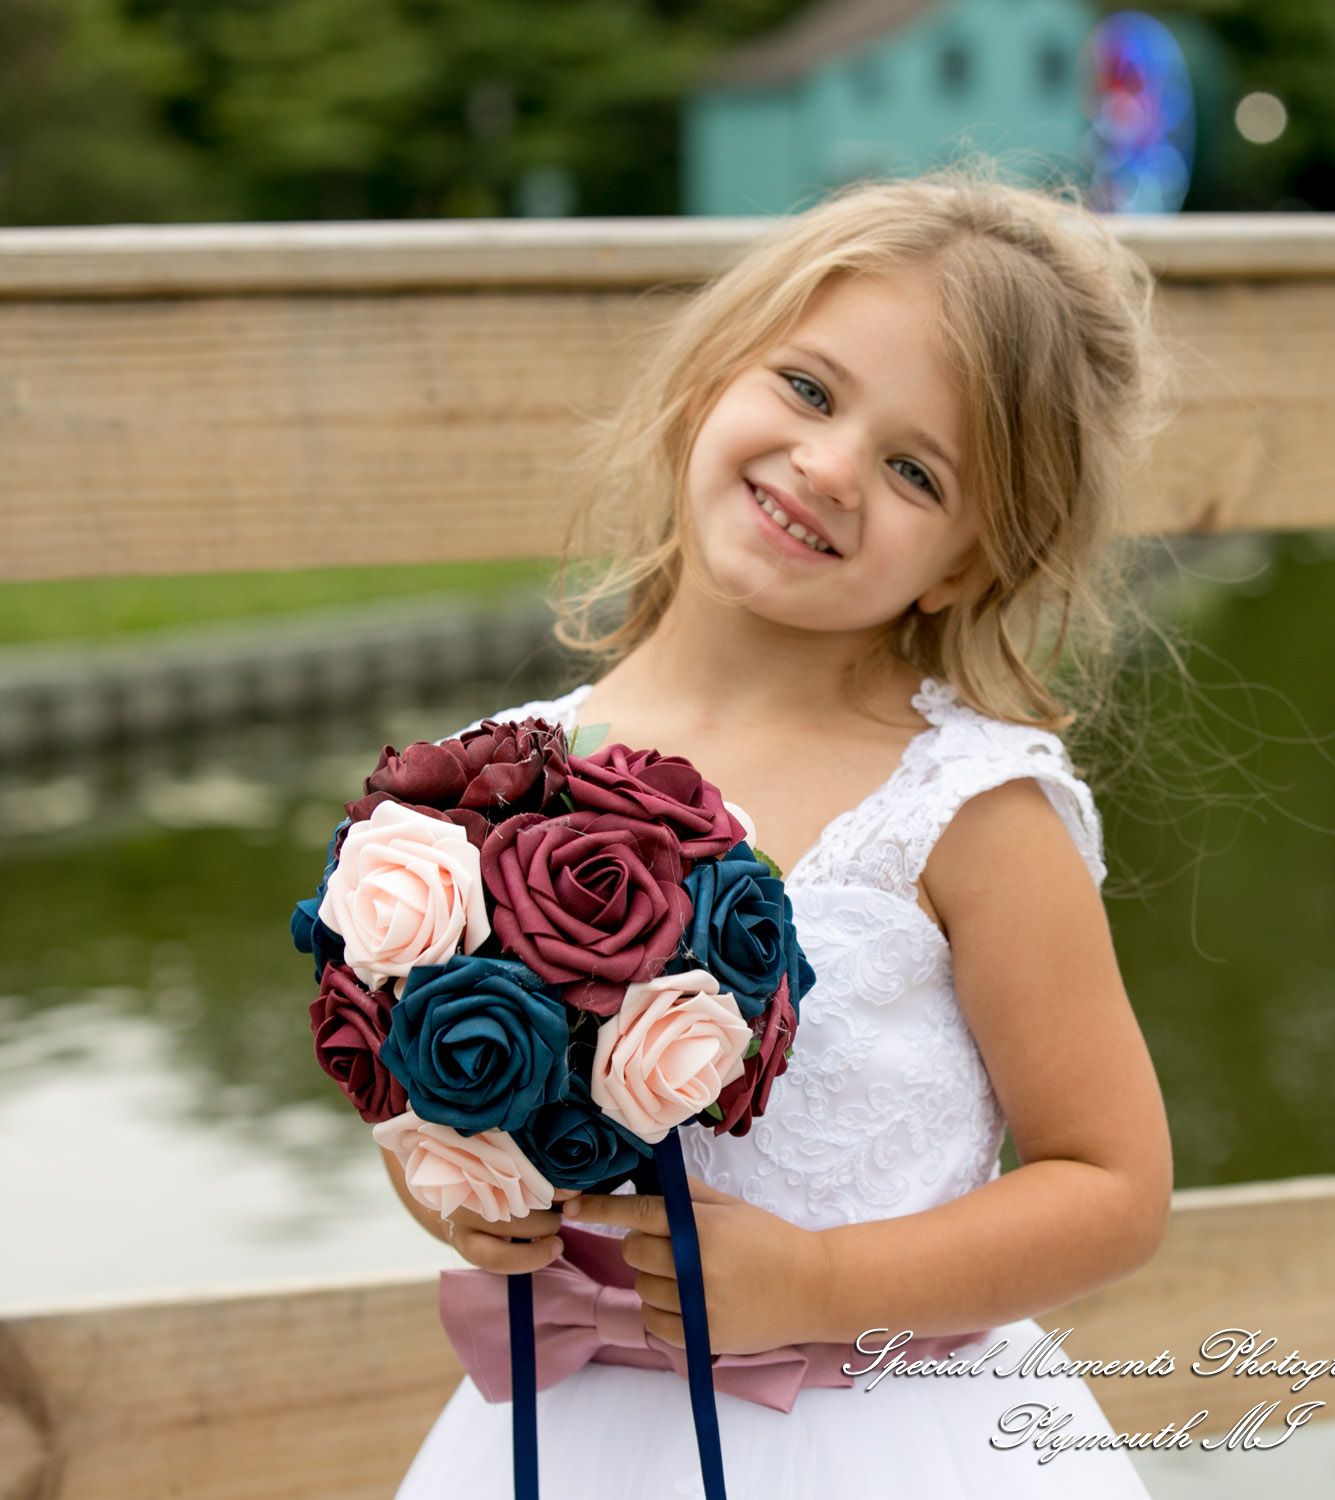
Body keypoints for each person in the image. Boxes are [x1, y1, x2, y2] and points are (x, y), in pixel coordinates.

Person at [383, 162, 1173, 1497]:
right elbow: (444, 1084)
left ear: (972, 563)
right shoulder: (504, 776)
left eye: (916, 470)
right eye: (807, 389)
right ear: (713, 377)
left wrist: (818, 1281)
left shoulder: (968, 812)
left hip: (879, 1439)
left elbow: (1113, 1183)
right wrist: (450, 1179)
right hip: (566, 1435)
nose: (827, 466)